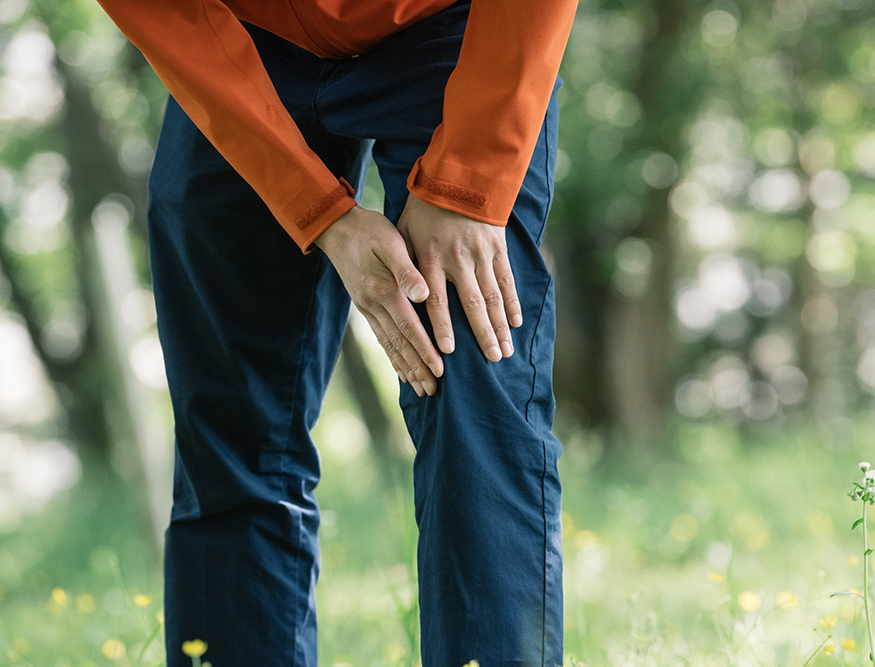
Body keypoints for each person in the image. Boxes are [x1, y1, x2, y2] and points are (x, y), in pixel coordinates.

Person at [94, 1, 577, 665]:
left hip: (453, 23)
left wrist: (468, 184)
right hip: (238, 34)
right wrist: (320, 213)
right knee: (230, 422)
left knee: (471, 377)